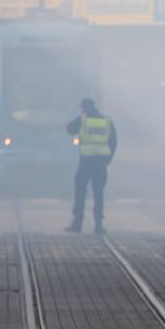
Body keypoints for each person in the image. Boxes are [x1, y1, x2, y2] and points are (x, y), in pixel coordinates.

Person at [64, 97, 116, 233]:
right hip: (101, 163)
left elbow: (69, 129)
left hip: (86, 162)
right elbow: (113, 141)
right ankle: (99, 225)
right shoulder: (107, 121)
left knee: (80, 192)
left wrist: (80, 118)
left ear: (84, 108)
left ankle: (77, 223)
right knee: (99, 193)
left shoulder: (83, 120)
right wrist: (108, 159)